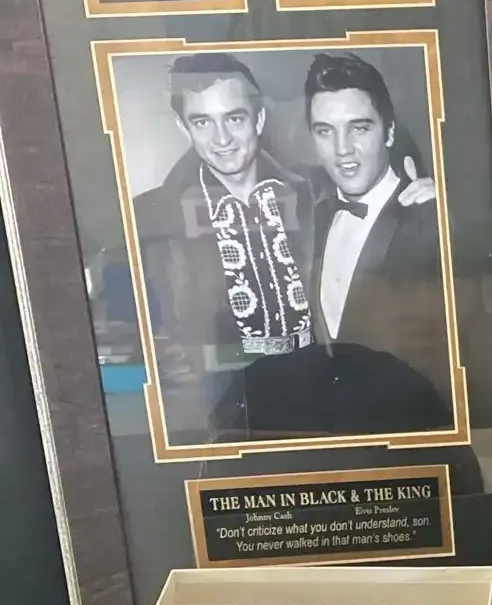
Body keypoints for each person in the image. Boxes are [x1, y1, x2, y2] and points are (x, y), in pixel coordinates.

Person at [133, 53, 314, 438]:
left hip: (316, 382)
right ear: (184, 128)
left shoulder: (314, 193)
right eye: (203, 122)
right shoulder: (153, 215)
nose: (222, 139)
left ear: (258, 120)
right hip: (215, 398)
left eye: (234, 118)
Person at [304, 52, 455, 416]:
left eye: (359, 128)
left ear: (389, 132)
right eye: (325, 131)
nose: (342, 149)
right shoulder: (310, 216)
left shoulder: (435, 218)